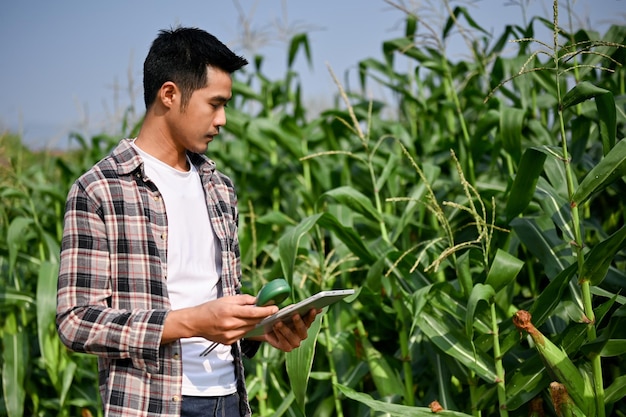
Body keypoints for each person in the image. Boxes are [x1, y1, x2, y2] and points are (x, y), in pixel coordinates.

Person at [56, 26, 319, 417]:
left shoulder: (220, 189)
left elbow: (215, 315)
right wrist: (192, 321)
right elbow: (76, 321)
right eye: (214, 104)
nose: (223, 120)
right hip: (151, 404)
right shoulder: (100, 191)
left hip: (229, 399)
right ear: (169, 94)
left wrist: (260, 330)